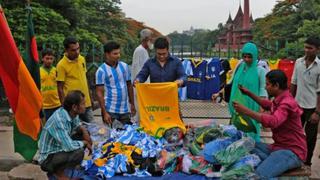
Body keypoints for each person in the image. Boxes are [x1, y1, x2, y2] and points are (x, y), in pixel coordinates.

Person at [233, 70, 307, 178]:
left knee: (258, 175)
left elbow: (273, 121)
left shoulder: (287, 103)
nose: (265, 87)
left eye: (267, 84)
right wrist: (248, 93)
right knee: (248, 145)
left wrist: (246, 111)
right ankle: (272, 162)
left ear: (276, 85)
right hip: (279, 147)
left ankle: (272, 164)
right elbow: (267, 104)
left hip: (292, 152)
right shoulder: (279, 99)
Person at [38, 90, 92, 179]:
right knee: (79, 152)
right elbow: (69, 147)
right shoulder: (59, 120)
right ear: (74, 107)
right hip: (47, 159)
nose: (85, 106)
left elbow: (78, 124)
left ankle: (67, 167)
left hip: (59, 147)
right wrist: (85, 142)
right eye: (83, 104)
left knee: (82, 133)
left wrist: (85, 132)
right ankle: (59, 174)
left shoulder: (72, 113)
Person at [228, 42, 267, 142]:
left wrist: (261, 107)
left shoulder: (260, 71)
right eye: (244, 56)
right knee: (236, 134)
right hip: (237, 107)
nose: (246, 59)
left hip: (252, 107)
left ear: (255, 56)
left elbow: (263, 90)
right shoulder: (240, 68)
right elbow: (232, 83)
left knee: (250, 134)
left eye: (249, 57)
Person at [290, 36, 320, 166]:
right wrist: (290, 103)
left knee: (310, 137)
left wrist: (317, 112)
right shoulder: (298, 62)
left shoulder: (319, 66)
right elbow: (293, 83)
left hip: (312, 107)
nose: (306, 50)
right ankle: (293, 158)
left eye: (310, 48)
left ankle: (307, 162)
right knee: (294, 134)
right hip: (298, 105)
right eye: (305, 47)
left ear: (317, 50)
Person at [95, 41, 136, 126]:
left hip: (125, 110)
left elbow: (129, 86)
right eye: (115, 54)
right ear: (107, 54)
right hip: (110, 110)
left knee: (127, 136)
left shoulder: (124, 67)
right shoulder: (101, 71)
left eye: (119, 53)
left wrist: (132, 104)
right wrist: (104, 112)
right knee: (112, 137)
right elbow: (99, 93)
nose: (118, 56)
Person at [56, 37, 94, 123]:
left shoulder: (82, 59)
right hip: (74, 107)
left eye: (78, 49)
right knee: (76, 131)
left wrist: (90, 96)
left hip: (86, 103)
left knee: (92, 129)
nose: (77, 52)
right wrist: (64, 107)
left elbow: (85, 78)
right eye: (73, 50)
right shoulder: (61, 65)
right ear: (66, 50)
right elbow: (60, 88)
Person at [131, 29, 153, 123]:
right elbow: (140, 71)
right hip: (141, 87)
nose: (152, 41)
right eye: (151, 39)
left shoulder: (143, 50)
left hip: (142, 87)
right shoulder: (140, 51)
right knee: (140, 112)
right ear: (147, 39)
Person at [40, 48, 61, 121]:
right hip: (45, 106)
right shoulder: (39, 71)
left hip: (57, 104)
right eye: (47, 58)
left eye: (51, 58)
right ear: (42, 59)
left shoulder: (56, 70)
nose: (49, 61)